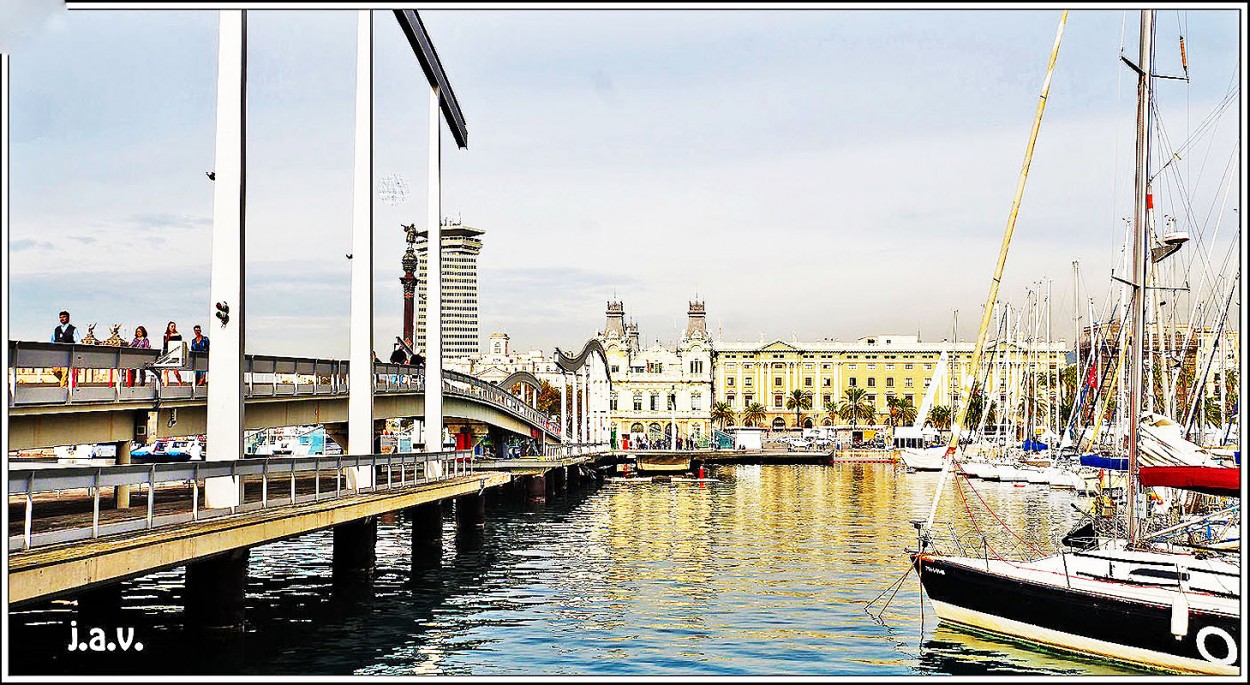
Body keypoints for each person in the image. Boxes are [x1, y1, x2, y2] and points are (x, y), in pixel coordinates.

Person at [163, 321, 184, 385]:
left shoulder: (178, 335)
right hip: (168, 353)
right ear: (168, 327)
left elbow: (179, 344)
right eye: (172, 326)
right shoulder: (166, 335)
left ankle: (180, 383)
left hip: (175, 354)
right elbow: (165, 346)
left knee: (176, 371)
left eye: (174, 326)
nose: (173, 327)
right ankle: (165, 385)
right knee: (166, 371)